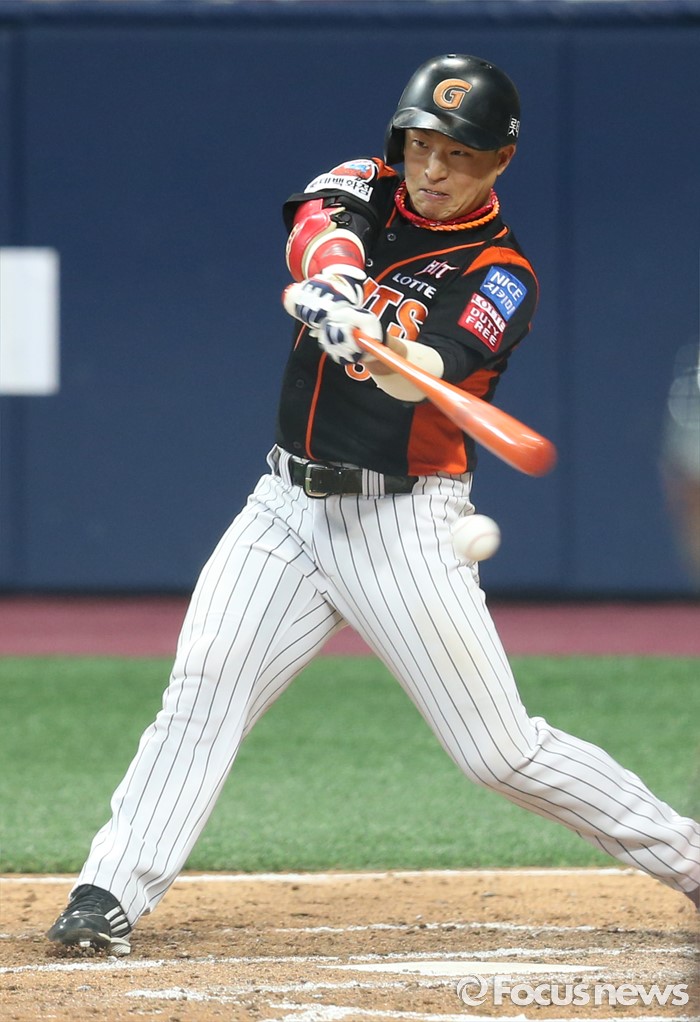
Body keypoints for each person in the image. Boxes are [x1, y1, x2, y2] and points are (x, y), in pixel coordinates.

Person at [47, 53, 699, 956]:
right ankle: (108, 890)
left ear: (499, 161)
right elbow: (319, 232)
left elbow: (428, 373)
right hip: (285, 505)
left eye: (458, 154)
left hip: (403, 524)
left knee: (499, 754)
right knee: (204, 687)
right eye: (422, 144)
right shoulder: (365, 182)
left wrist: (376, 348)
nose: (433, 169)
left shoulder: (502, 273)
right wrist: (340, 289)